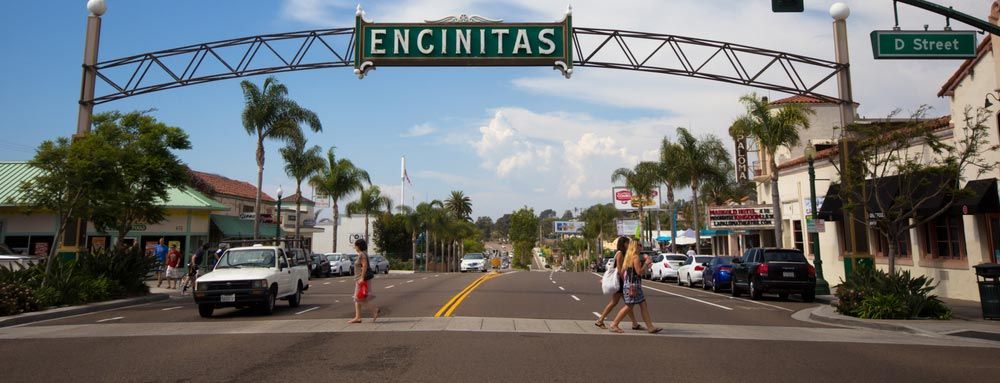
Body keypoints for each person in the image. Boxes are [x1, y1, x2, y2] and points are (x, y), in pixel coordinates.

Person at [610, 240, 662, 334]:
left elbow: (622, 271)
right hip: (634, 286)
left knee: (643, 305)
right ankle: (614, 324)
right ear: (635, 246)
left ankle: (650, 327)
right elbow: (639, 272)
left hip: (630, 285)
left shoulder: (628, 257)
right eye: (639, 245)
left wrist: (627, 281)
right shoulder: (636, 257)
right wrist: (646, 264)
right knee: (629, 306)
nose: (641, 247)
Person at [594, 236, 641, 331]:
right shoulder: (619, 254)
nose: (629, 245)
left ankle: (635, 323)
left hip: (622, 280)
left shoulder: (625, 254)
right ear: (623, 244)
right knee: (617, 302)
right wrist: (625, 281)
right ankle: (600, 320)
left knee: (628, 303)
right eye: (627, 243)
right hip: (620, 281)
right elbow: (620, 269)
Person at [349, 238, 380, 324]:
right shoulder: (364, 254)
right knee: (358, 299)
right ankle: (358, 317)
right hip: (360, 279)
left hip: (361, 279)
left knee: (358, 298)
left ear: (359, 246)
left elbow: (364, 266)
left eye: (356, 245)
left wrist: (362, 278)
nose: (355, 247)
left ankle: (375, 310)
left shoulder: (362, 254)